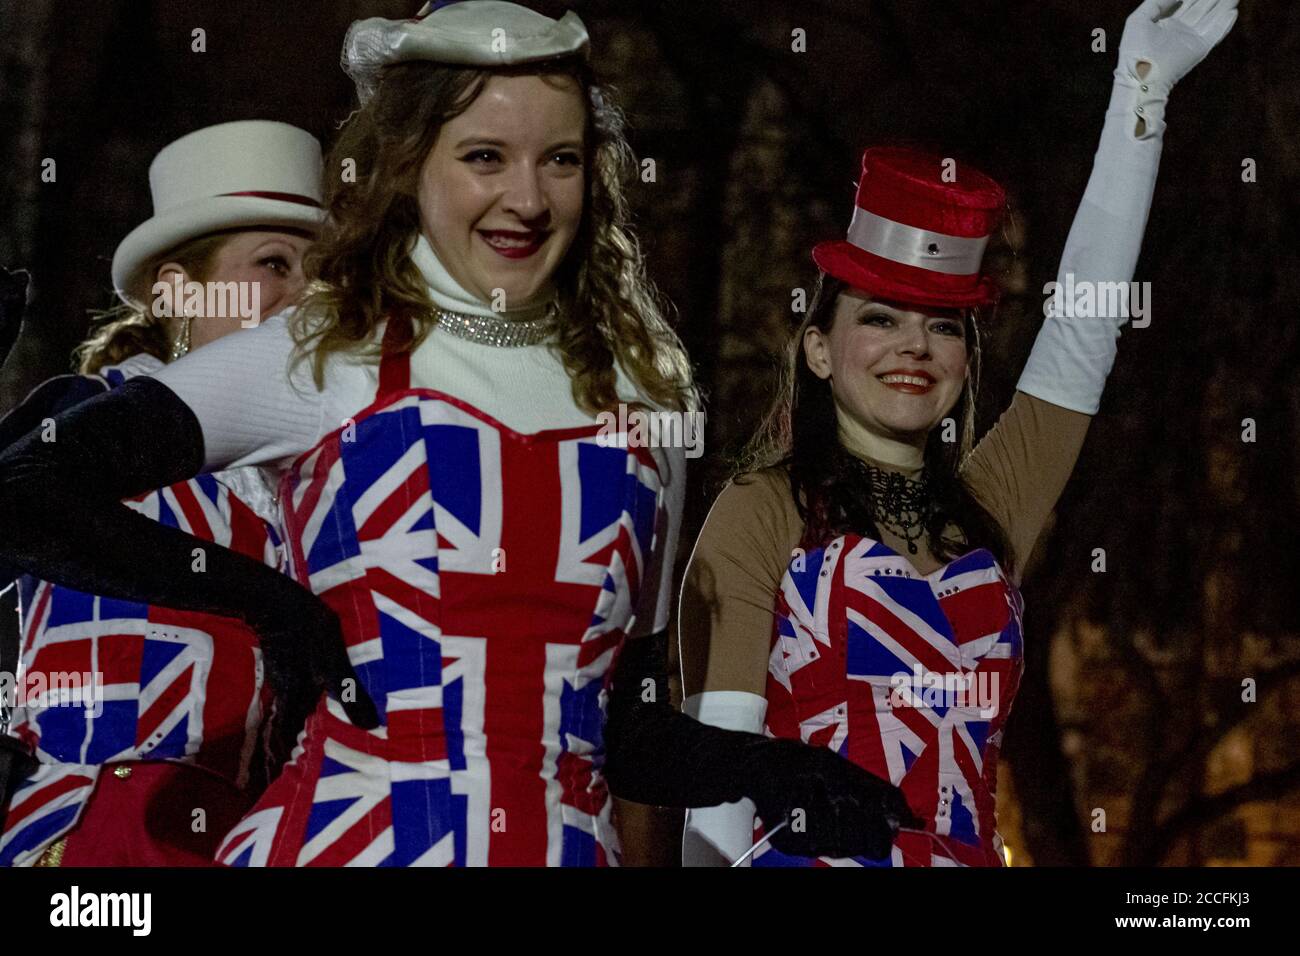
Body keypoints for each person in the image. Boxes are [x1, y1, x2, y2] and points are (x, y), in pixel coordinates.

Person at [0, 0, 697, 867]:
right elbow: (27, 503)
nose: (304, 295)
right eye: (271, 266)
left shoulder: (630, 407)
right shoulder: (174, 402)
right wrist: (267, 606)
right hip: (105, 839)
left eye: (560, 159)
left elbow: (611, 704)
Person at [668, 0, 1238, 866]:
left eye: (941, 327)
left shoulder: (992, 507)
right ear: (818, 350)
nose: (913, 347)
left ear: (967, 359)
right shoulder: (760, 512)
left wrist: (1139, 97)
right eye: (882, 318)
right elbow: (715, 792)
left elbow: (1086, 325)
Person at [0, 120, 323, 866]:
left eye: (324, 273)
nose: (309, 297)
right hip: (89, 835)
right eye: (275, 264)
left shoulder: (326, 476)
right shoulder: (82, 413)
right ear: (176, 293)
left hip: (257, 838)